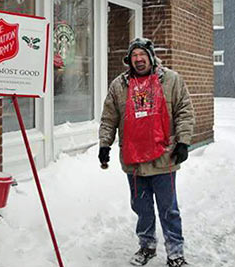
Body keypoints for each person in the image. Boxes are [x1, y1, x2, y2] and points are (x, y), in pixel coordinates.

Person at [98, 37, 194, 267]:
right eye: (134, 56)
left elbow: (184, 111)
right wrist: (104, 144)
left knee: (168, 209)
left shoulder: (171, 80)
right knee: (142, 209)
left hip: (164, 158)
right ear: (129, 60)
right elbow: (109, 119)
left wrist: (183, 141)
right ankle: (147, 246)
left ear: (151, 57)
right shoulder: (119, 86)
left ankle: (175, 253)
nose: (139, 60)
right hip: (134, 161)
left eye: (142, 55)